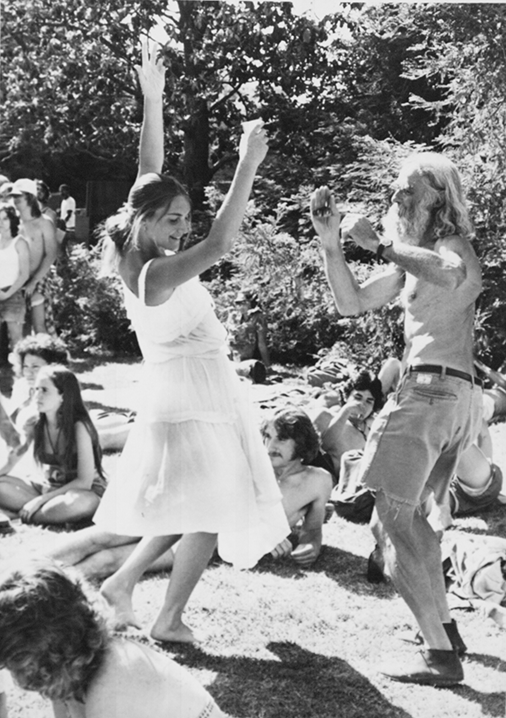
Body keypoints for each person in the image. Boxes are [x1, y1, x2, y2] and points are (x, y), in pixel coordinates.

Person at [92, 41, 289, 643]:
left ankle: (129, 587)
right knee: (212, 508)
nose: (183, 228)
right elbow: (222, 245)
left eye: (185, 217)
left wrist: (152, 99)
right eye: (173, 219)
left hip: (188, 391)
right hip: (191, 396)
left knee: (198, 506)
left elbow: (146, 173)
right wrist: (247, 163)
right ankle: (166, 616)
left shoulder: (135, 245)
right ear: (147, 221)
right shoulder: (155, 271)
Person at [311, 151, 483, 686]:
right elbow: (351, 302)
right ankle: (447, 630)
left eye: (409, 190)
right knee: (412, 520)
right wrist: (331, 244)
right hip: (447, 399)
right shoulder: (411, 261)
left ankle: (438, 657)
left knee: (388, 522)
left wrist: (383, 244)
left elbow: (455, 277)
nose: (397, 197)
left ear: (438, 195)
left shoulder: (451, 246)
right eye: (396, 189)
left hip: (432, 394)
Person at [0, 561, 226, 718]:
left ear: (55, 647)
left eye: (23, 665)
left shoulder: (114, 687)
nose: (21, 681)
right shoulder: (71, 669)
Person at [0, 365, 106, 526]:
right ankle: (45, 513)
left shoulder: (80, 427)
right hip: (46, 488)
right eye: (35, 389)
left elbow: (84, 482)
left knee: (81, 503)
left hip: (81, 492)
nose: (37, 396)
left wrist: (39, 501)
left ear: (63, 396)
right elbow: (14, 458)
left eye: (44, 390)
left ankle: (25, 515)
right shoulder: (34, 423)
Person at [261, 408, 333, 566]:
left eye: (281, 439)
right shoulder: (250, 471)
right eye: (267, 436)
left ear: (301, 442)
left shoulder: (318, 481)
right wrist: (260, 533)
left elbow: (312, 529)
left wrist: (311, 546)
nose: (270, 446)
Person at [7, 179, 58, 334]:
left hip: (38, 279)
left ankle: (45, 355)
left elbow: (51, 254)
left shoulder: (44, 223)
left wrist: (34, 281)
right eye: (13, 197)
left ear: (30, 198)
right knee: (19, 327)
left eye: (18, 197)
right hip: (14, 281)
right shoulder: (11, 223)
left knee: (39, 324)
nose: (14, 201)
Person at [0, 204, 30, 356]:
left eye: (5, 218)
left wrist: (7, 294)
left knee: (16, 340)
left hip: (13, 294)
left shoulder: (19, 242)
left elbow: (24, 274)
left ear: (12, 220)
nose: (1, 222)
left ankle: (22, 375)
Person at [226, 288, 270, 383]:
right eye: (237, 303)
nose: (240, 306)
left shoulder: (258, 318)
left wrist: (268, 366)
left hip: (246, 358)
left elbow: (261, 344)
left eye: (243, 302)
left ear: (251, 303)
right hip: (229, 354)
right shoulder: (233, 316)